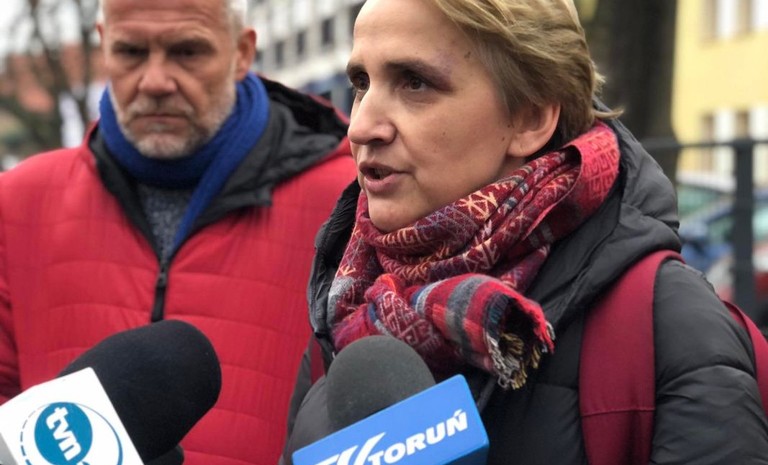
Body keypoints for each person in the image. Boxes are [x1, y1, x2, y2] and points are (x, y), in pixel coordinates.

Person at [282, 0, 768, 463]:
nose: (361, 126)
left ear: (531, 117)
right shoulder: (347, 310)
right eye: (361, 83)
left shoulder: (669, 329)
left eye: (415, 83)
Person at [0, 0, 356, 464]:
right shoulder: (17, 203)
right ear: (103, 45)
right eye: (131, 52)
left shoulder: (350, 204)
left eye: (187, 51)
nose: (155, 81)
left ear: (242, 52)